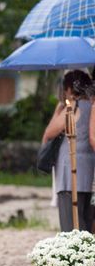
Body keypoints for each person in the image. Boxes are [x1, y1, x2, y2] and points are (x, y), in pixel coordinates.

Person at [42, 70, 95, 231]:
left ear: (69, 89)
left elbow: (49, 134)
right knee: (87, 220)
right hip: (90, 172)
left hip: (69, 172)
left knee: (70, 224)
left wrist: (59, 108)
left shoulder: (72, 108)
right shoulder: (92, 107)